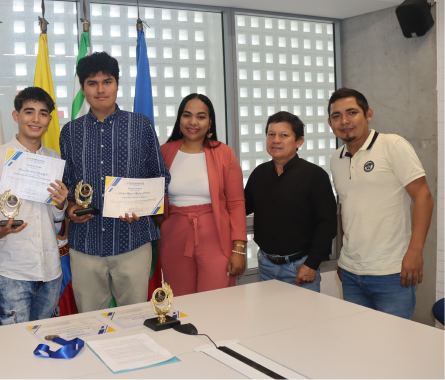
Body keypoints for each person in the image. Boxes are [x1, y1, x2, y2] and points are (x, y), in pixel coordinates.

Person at [59, 52, 171, 312]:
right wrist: (70, 209)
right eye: (92, 83)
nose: (100, 89)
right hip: (85, 244)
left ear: (117, 85)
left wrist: (143, 206)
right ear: (83, 88)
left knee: (133, 319)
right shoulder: (70, 132)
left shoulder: (140, 125)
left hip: (132, 241)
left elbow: (160, 176)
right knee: (90, 321)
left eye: (107, 81)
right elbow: (66, 185)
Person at [328, 88, 433, 319]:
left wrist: (415, 252)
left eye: (352, 112)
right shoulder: (335, 159)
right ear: (330, 122)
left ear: (368, 114)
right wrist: (344, 256)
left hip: (392, 272)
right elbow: (346, 208)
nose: (344, 121)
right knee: (359, 343)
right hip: (351, 272)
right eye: (337, 116)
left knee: (394, 347)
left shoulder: (392, 145)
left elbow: (423, 196)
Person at [0, 87, 69, 324]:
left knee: (44, 342)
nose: (36, 119)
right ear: (16, 116)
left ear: (49, 119)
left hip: (50, 269)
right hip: (12, 270)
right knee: (15, 346)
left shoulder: (54, 159)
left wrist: (60, 205)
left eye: (43, 113)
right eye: (29, 112)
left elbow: (56, 221)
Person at [155, 94, 247, 296]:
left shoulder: (224, 153)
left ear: (210, 121)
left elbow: (237, 204)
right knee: (180, 304)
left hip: (217, 236)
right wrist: (166, 225)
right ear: (179, 119)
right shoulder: (163, 152)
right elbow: (153, 196)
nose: (193, 122)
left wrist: (239, 248)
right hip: (174, 239)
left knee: (216, 303)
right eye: (187, 115)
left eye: (201, 116)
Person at [245, 111, 337, 292]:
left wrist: (312, 263)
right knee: (269, 318)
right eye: (271, 135)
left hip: (300, 266)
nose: (276, 140)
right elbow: (242, 208)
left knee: (304, 319)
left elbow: (327, 224)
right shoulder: (259, 174)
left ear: (299, 142)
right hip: (265, 264)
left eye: (284, 135)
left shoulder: (315, 176)